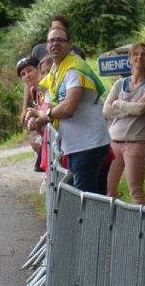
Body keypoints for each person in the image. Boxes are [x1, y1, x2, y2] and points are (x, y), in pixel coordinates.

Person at [27, 24, 110, 194]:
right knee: (83, 201)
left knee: (86, 202)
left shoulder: (74, 68)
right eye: (51, 40)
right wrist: (34, 115)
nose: (55, 44)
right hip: (73, 146)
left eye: (60, 40)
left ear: (70, 44)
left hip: (88, 145)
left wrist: (45, 115)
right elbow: (49, 106)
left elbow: (68, 107)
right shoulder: (56, 71)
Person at [104, 43, 145, 206]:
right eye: (135, 54)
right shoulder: (119, 84)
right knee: (109, 190)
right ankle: (111, 226)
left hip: (136, 145)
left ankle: (143, 230)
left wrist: (119, 103)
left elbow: (141, 109)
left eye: (143, 54)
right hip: (114, 142)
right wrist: (131, 108)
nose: (139, 57)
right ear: (129, 59)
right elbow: (106, 110)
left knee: (135, 191)